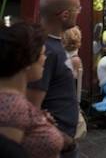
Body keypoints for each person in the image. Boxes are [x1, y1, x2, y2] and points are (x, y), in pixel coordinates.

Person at [0, 18, 68, 158]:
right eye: (42, 54)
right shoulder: (11, 106)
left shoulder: (13, 102)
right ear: (27, 60)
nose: (45, 59)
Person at [27, 0, 80, 158]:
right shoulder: (46, 51)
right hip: (55, 144)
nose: (79, 12)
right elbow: (31, 106)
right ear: (65, 15)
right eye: (77, 9)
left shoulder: (54, 45)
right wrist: (58, 138)